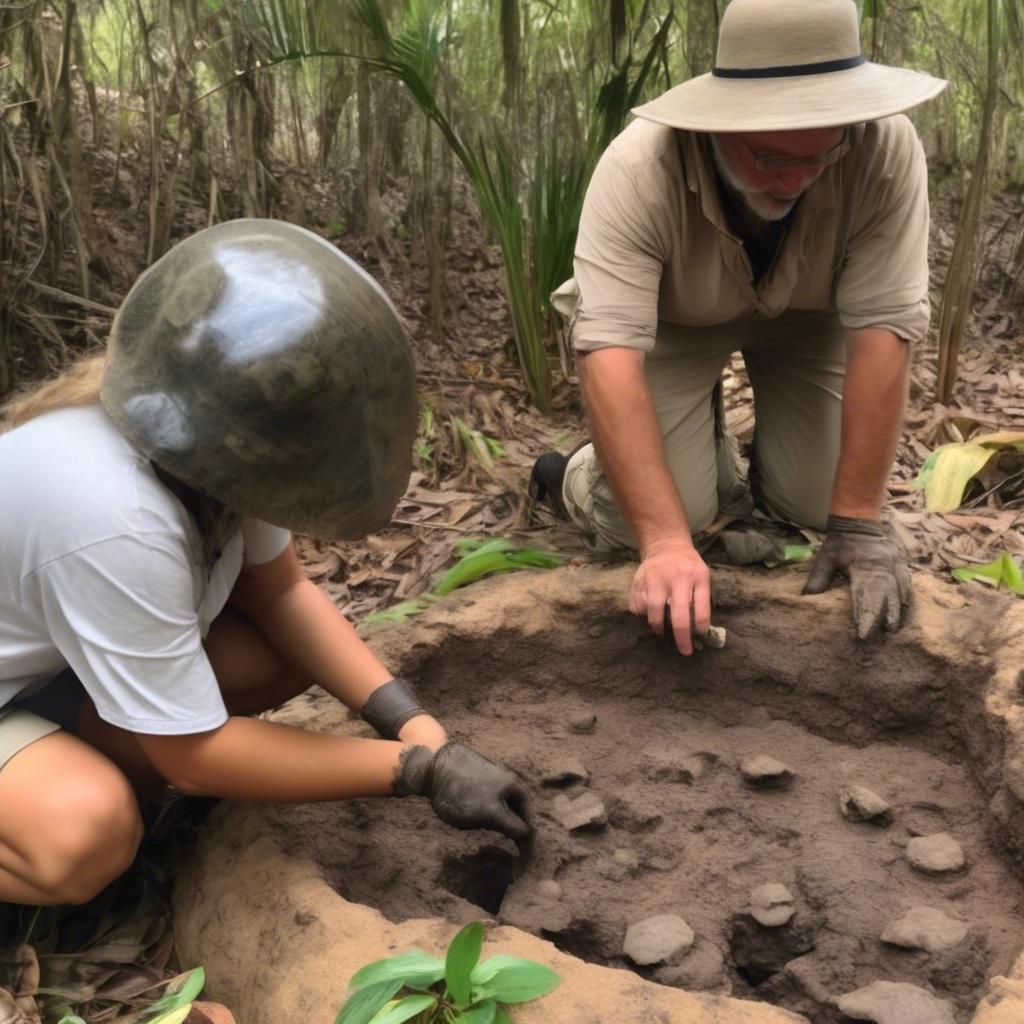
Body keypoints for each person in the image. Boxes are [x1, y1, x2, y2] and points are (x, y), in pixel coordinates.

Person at [0, 219, 530, 907]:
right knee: (86, 832)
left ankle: (71, 759)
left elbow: (279, 594)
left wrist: (413, 722)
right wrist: (418, 771)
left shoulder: (208, 440)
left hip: (37, 666)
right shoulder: (115, 518)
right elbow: (192, 759)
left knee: (275, 657)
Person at [530, 0, 946, 652]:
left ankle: (728, 461)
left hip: (813, 319)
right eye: (771, 158)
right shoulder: (639, 170)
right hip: (674, 321)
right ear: (718, 124)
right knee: (651, 525)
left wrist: (860, 522)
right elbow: (608, 355)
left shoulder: (885, 150)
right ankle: (576, 476)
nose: (799, 180)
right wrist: (665, 541)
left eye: (824, 153)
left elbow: (883, 332)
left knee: (820, 508)